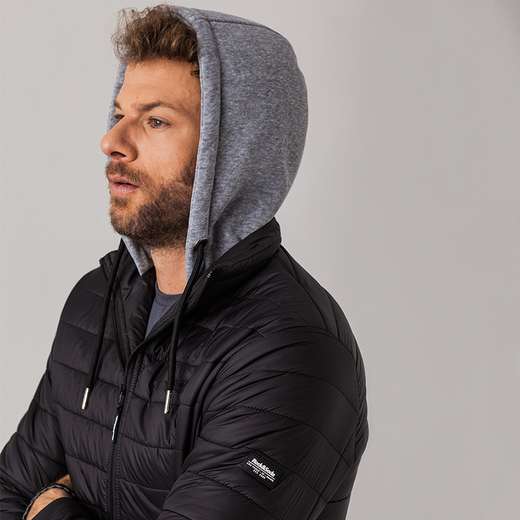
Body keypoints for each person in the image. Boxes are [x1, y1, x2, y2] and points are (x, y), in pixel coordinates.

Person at [0, 4, 369, 520]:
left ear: (234, 151)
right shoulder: (97, 300)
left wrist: (52, 511)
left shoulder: (291, 350)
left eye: (155, 121)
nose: (112, 142)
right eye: (120, 115)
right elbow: (9, 491)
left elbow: (30, 502)